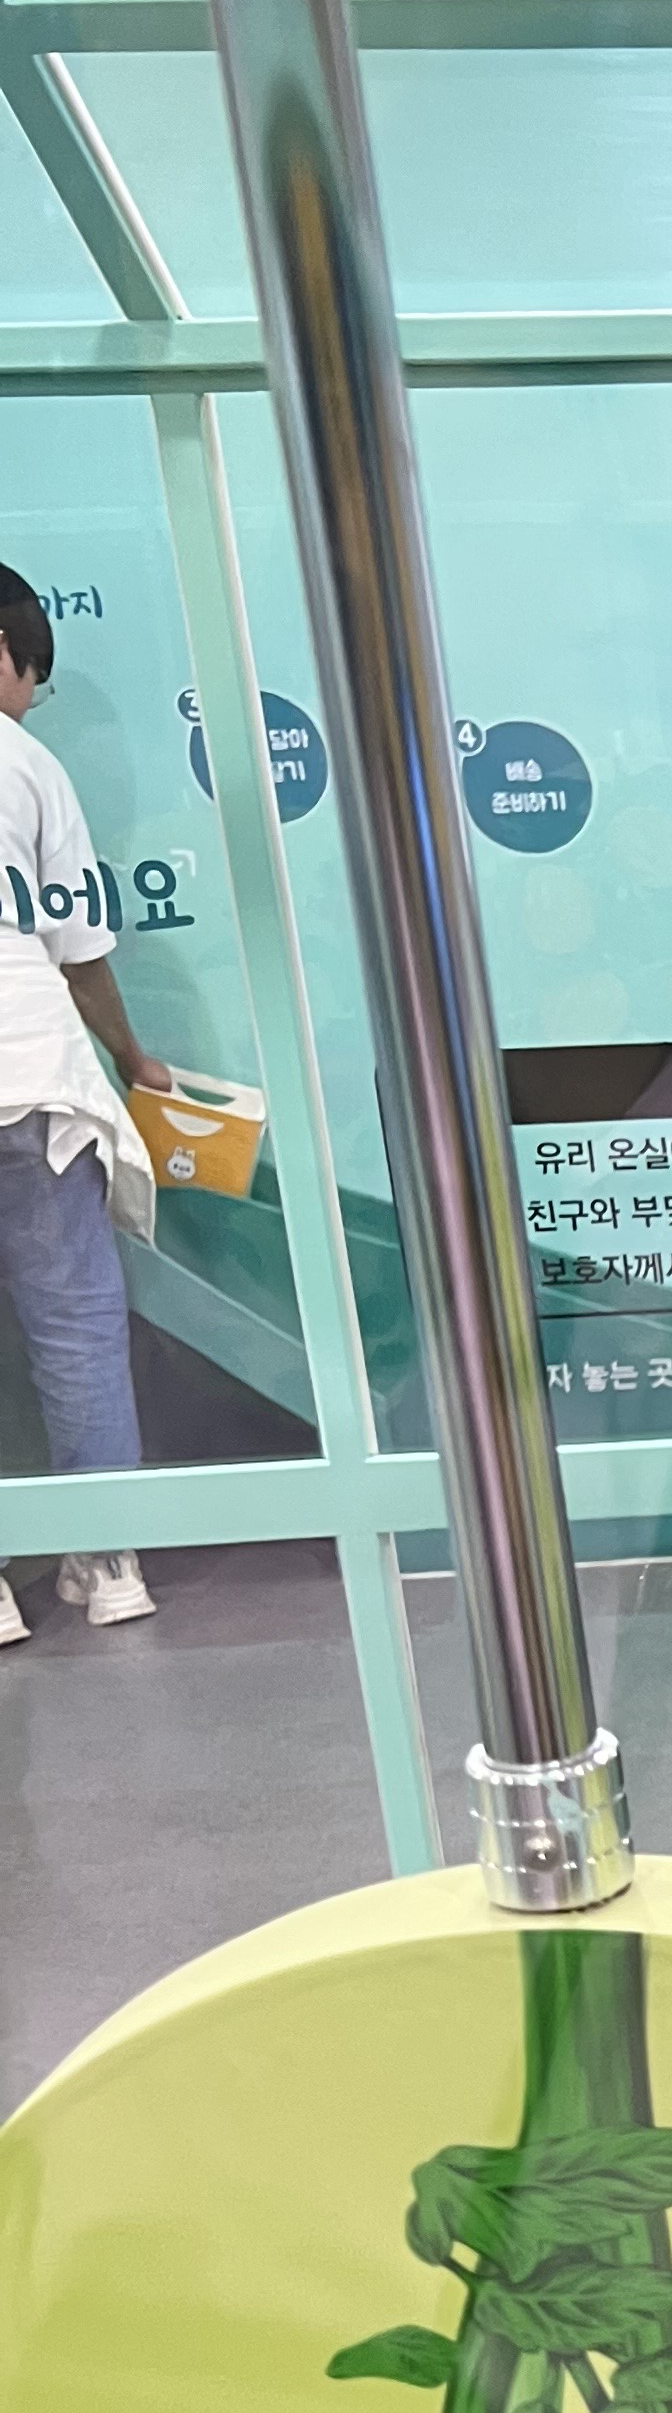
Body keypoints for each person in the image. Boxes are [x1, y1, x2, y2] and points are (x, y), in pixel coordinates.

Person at [0, 557, 166, 1644]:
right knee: (73, 1324)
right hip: (29, 1076)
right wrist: (134, 1057)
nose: (30, 697)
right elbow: (79, 948)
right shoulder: (24, 764)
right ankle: (108, 1562)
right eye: (34, 674)